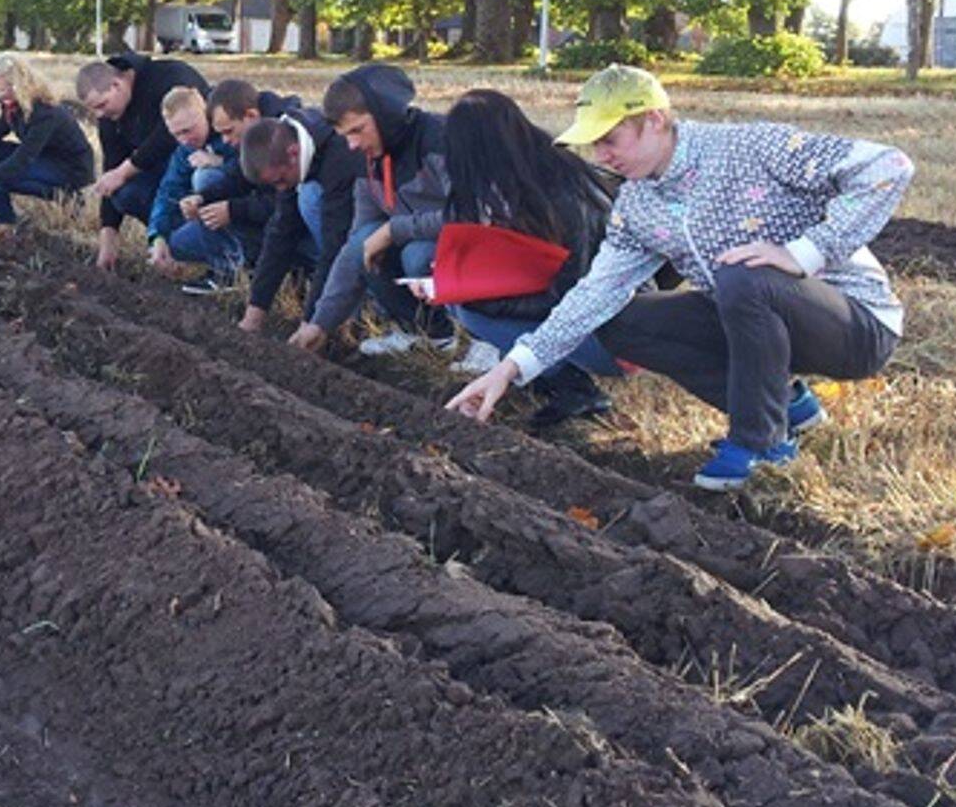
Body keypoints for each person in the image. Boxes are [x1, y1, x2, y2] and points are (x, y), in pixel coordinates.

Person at [446, 65, 914, 491]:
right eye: (594, 143)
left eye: (611, 138)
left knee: (743, 274)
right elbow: (593, 294)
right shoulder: (638, 204)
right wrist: (511, 369)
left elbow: (887, 167)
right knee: (618, 320)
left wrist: (804, 253)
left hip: (854, 324)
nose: (601, 155)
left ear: (654, 119)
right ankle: (788, 407)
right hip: (754, 316)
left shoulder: (749, 148)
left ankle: (762, 444)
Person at [431, 89, 619, 428]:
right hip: (583, 311)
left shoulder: (561, 197)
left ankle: (574, 386)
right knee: (461, 299)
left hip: (614, 329)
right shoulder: (535, 181)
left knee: (470, 310)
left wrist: (484, 298)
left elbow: (573, 293)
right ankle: (548, 376)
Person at [293, 65, 452, 355]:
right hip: (425, 241)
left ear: (386, 114)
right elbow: (357, 241)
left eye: (357, 130)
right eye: (345, 135)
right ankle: (422, 331)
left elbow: (468, 215)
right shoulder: (370, 160)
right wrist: (320, 323)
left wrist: (393, 229)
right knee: (365, 243)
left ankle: (478, 339)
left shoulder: (440, 140)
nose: (352, 145)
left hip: (472, 243)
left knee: (416, 255)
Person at [75, 52, 208, 271]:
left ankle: (204, 245)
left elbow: (167, 136)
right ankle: (169, 242)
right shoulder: (110, 118)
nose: (99, 115)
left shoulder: (168, 77)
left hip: (201, 163)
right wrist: (108, 237)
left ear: (117, 85)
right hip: (163, 176)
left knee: (205, 178)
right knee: (123, 193)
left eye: (102, 104)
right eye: (94, 109)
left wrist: (125, 170)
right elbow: (112, 171)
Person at [236, 108, 364, 336]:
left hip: (374, 234)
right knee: (298, 203)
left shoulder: (339, 156)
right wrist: (256, 308)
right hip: (345, 234)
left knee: (309, 197)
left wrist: (313, 322)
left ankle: (356, 311)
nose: (281, 189)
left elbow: (335, 245)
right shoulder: (294, 156)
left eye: (281, 180)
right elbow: (281, 232)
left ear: (293, 153)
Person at [0, 53, 94, 234]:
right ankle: (6, 225)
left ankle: (68, 196)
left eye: (2, 91)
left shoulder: (44, 113)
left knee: (1, 176)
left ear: (19, 87)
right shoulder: (13, 104)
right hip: (45, 158)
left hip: (70, 169)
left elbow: (21, 161)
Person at [173, 79, 300, 295]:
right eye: (220, 134)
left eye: (229, 131)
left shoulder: (283, 135)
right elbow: (237, 178)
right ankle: (234, 268)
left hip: (291, 228)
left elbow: (285, 205)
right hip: (258, 217)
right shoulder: (250, 140)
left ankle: (270, 268)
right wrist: (203, 198)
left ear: (251, 116)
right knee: (179, 242)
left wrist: (233, 210)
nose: (226, 140)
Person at [146, 87, 238, 278]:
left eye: (188, 130)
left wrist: (222, 164)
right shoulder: (184, 150)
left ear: (205, 113)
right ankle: (227, 258)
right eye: (177, 135)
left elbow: (256, 167)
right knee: (176, 244)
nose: (184, 140)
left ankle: (228, 269)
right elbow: (168, 191)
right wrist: (157, 236)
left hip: (245, 211)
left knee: (204, 177)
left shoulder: (231, 131)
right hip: (215, 218)